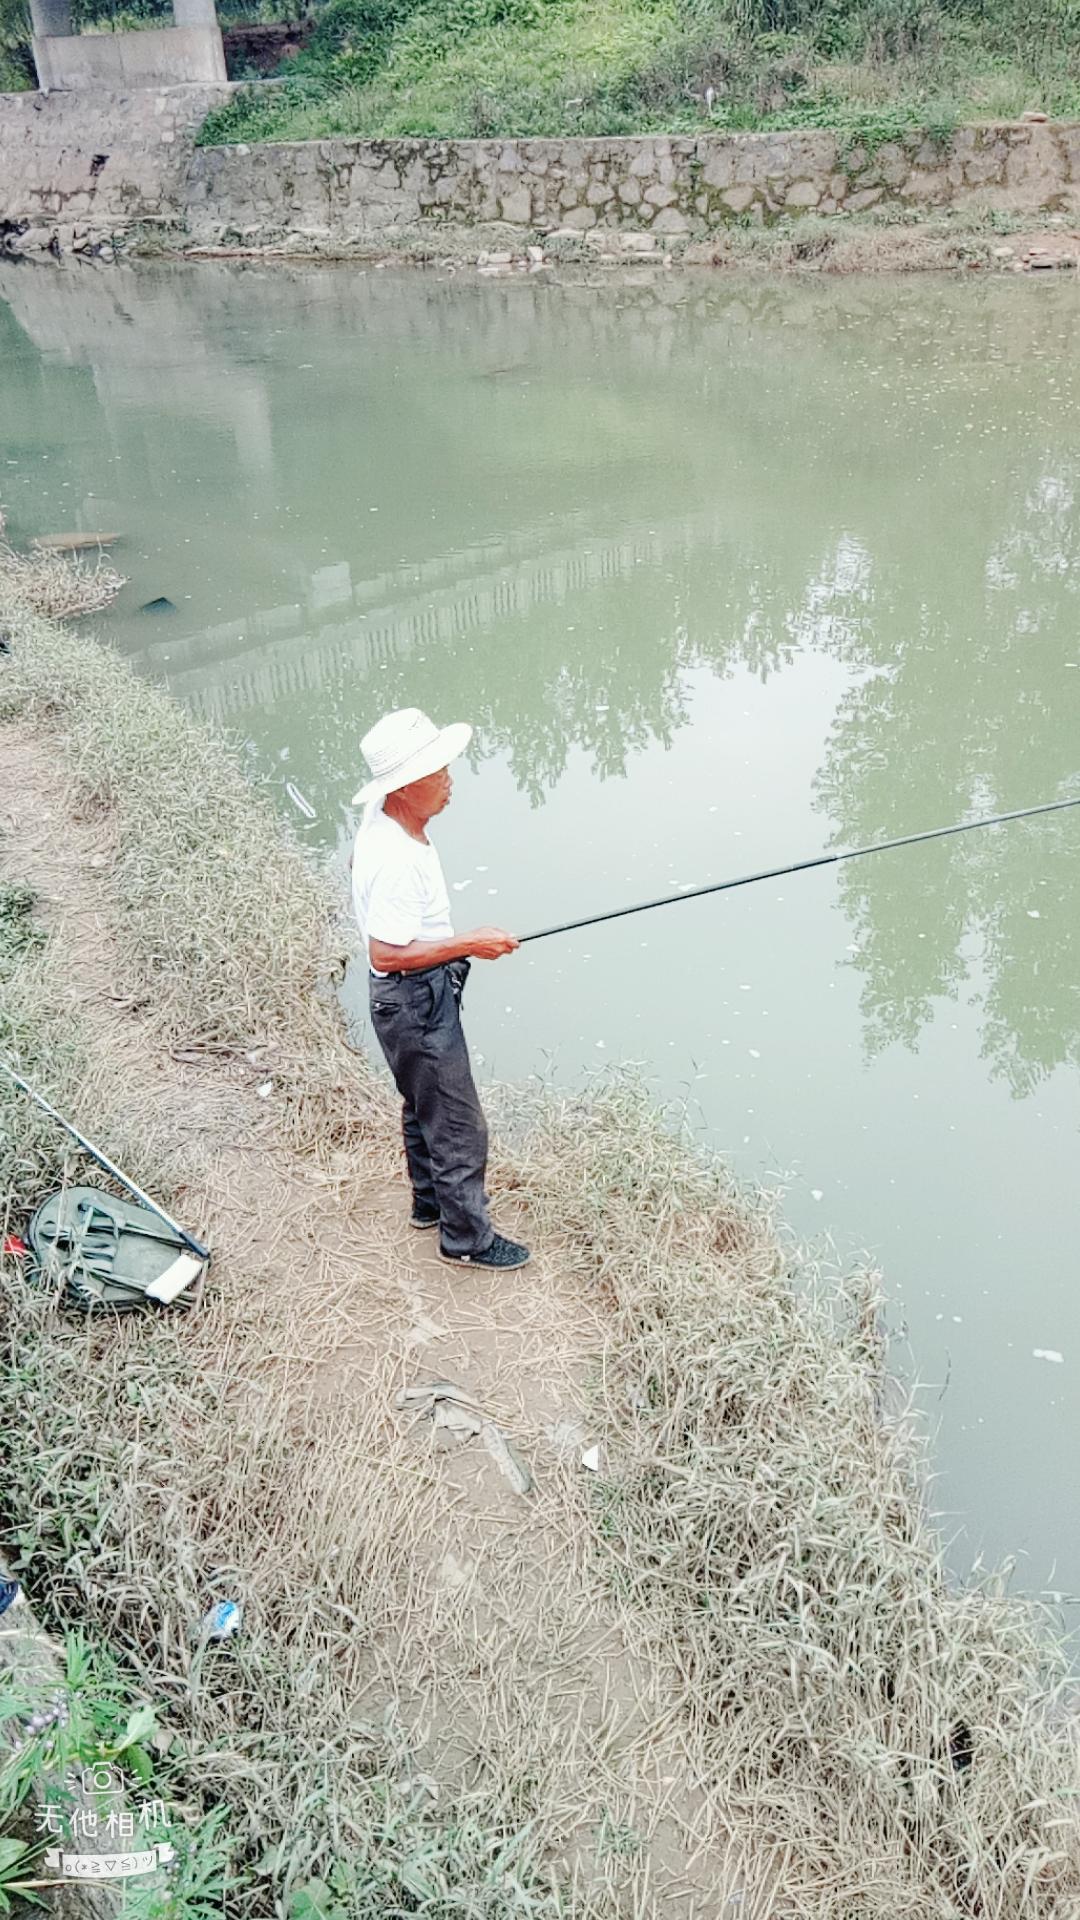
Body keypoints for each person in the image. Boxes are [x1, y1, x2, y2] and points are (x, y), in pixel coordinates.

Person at [350, 707, 530, 1271]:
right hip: (413, 997)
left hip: (398, 999)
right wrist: (468, 942)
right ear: (405, 786)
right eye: (439, 772)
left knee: (422, 1101)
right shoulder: (399, 860)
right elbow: (386, 952)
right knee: (458, 1121)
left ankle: (430, 1203)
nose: (450, 781)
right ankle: (466, 1238)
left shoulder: (383, 821)